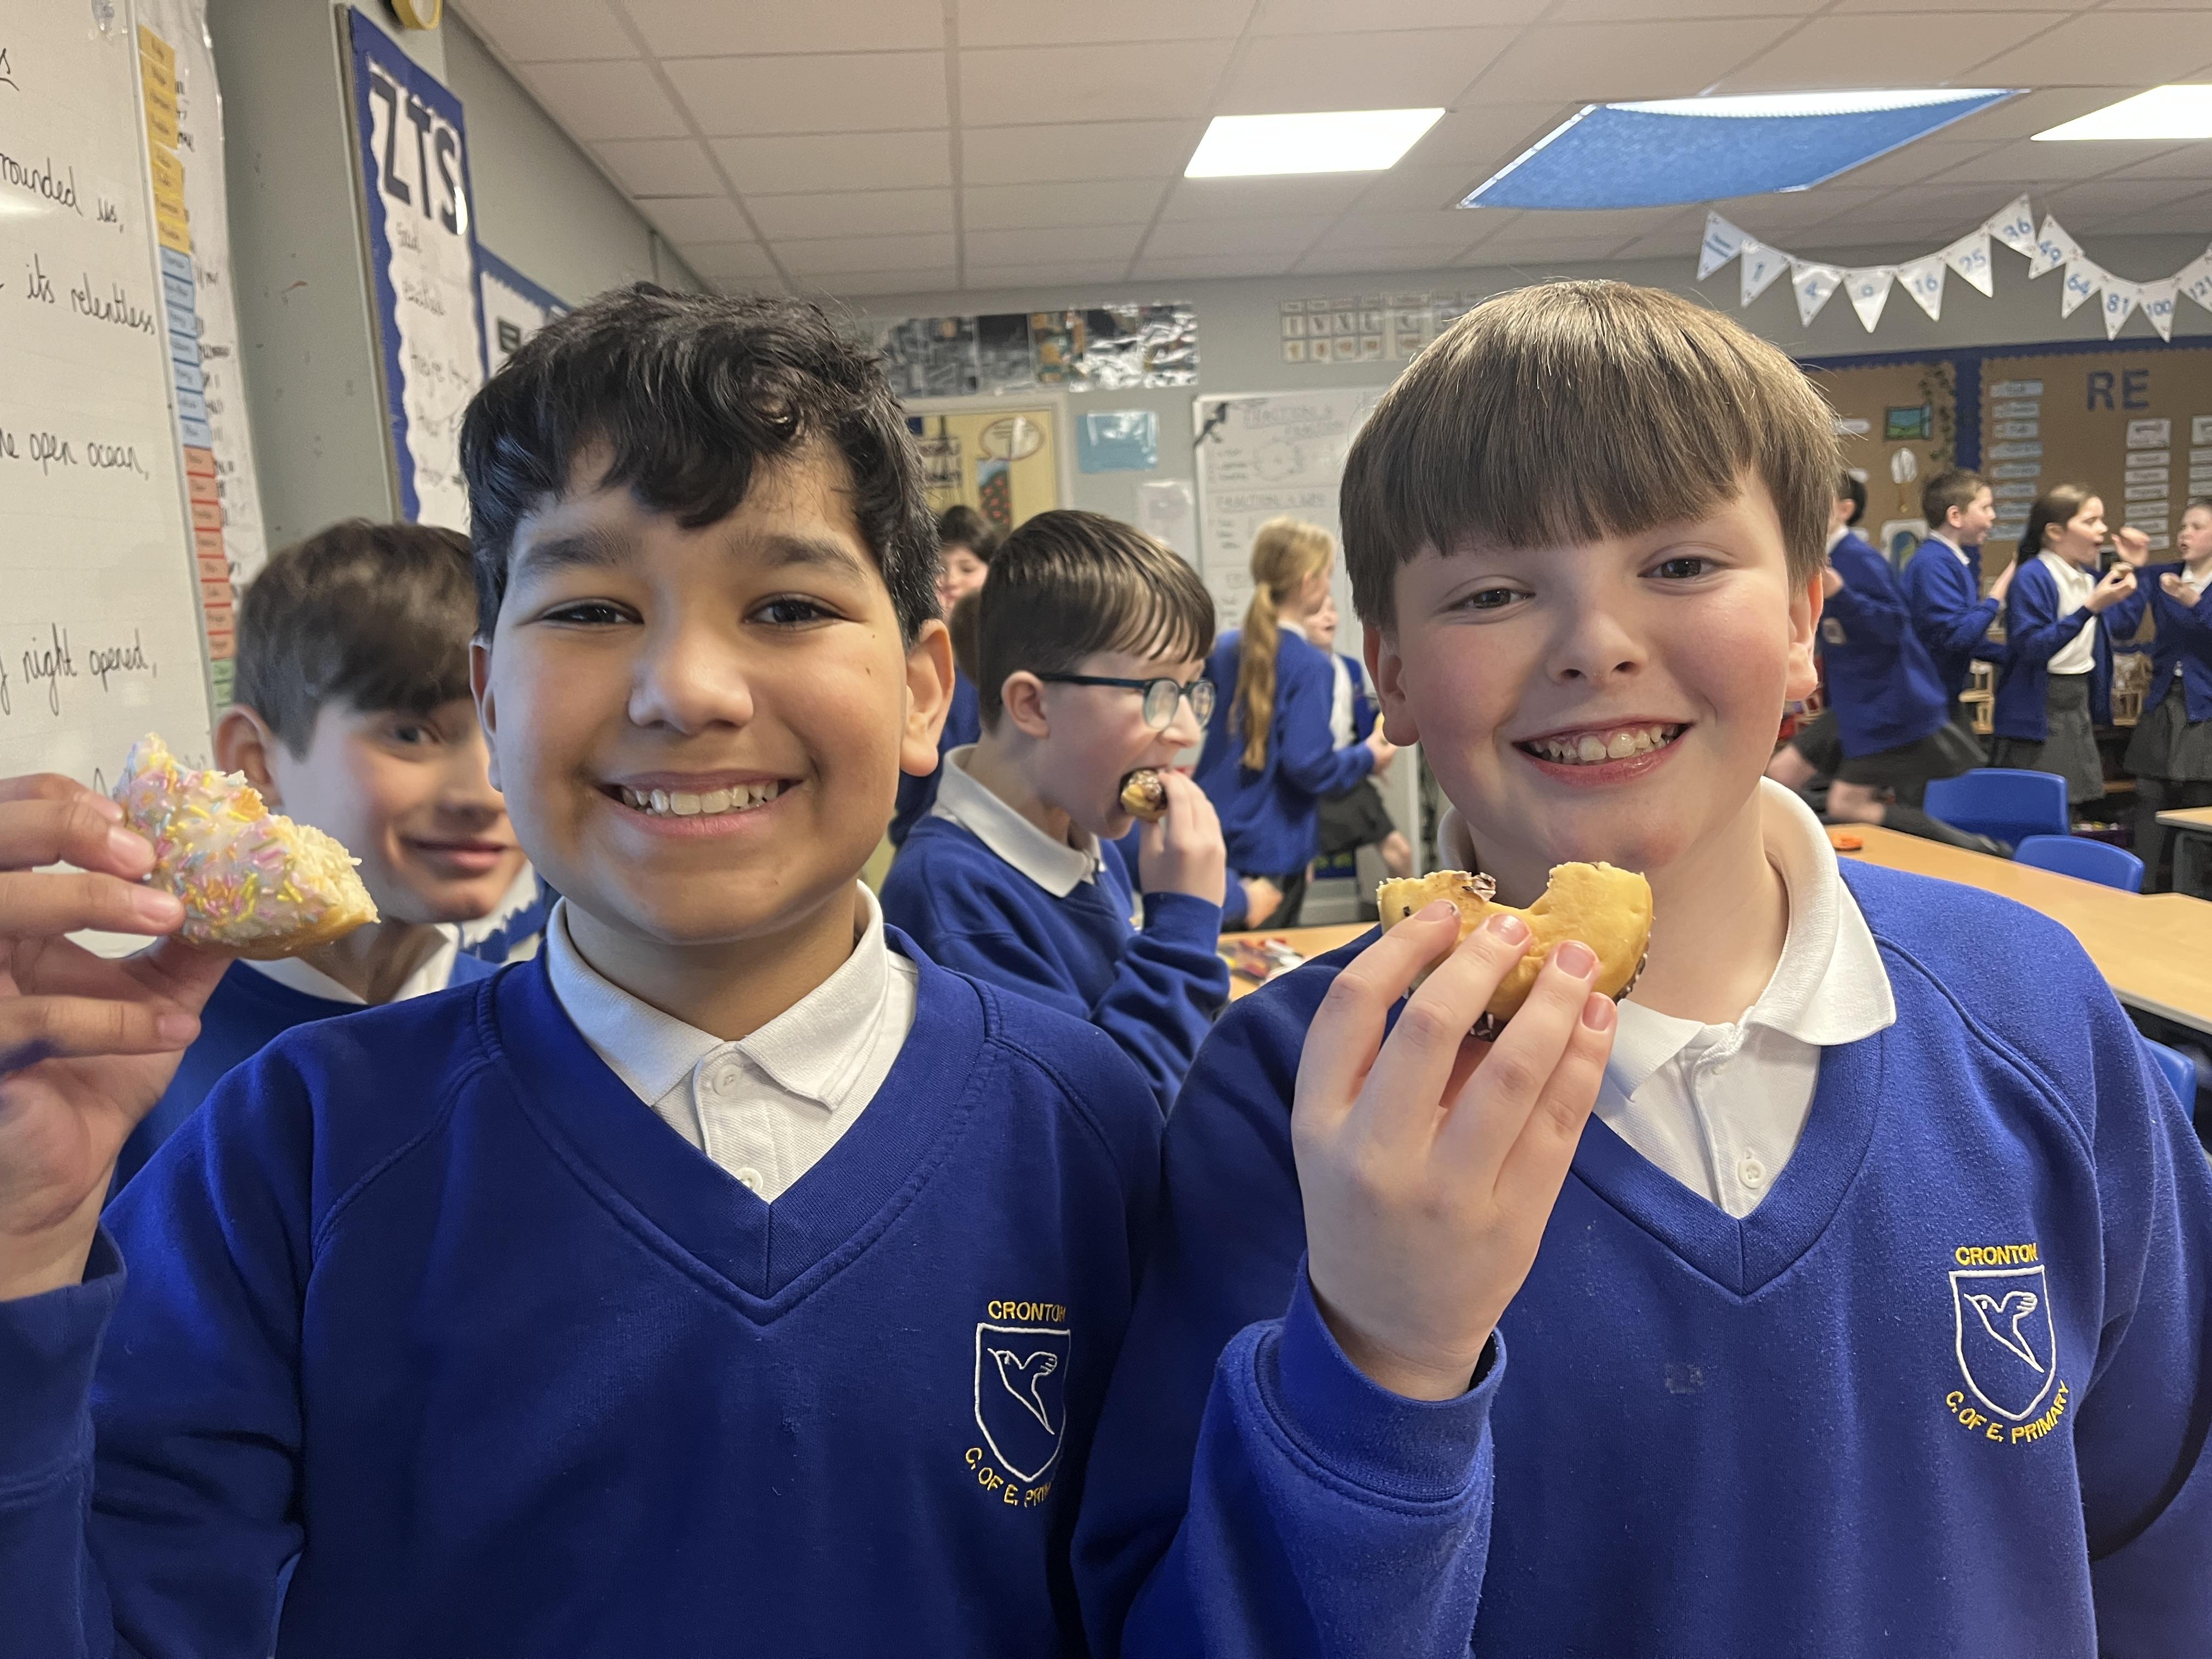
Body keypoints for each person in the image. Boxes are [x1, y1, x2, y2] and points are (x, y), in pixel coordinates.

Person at [0, 286, 1448, 1655]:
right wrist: (18, 1265)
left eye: (788, 608)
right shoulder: (296, 1143)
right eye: (588, 610)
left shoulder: (1088, 1126)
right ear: (494, 696)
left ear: (924, 693)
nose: (686, 689)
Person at [1076, 281, 2211, 1655]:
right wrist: (1379, 1356)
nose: (1597, 646)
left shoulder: (2032, 1010)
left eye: (1679, 567)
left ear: (1802, 619)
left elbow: (2168, 1533)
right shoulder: (1300, 1092)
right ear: (1393, 673)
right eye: (1494, 593)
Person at [114, 521, 518, 1190]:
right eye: (411, 733)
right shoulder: (126, 1055)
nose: (484, 792)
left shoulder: (543, 1032)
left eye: (511, 728)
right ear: (257, 761)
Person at [882, 509, 1231, 1111]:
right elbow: (1098, 1122)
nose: (1185, 731)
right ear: (1033, 706)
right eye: (1156, 692)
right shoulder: (952, 898)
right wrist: (1182, 931)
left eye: (1190, 690)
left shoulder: (1083, 834)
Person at [1765, 474, 1994, 853]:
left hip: (1888, 706)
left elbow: (1894, 626)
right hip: (1854, 705)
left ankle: (1975, 850)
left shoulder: (1859, 559)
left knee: (1847, 804)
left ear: (1844, 511)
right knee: (1780, 774)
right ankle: (1797, 855)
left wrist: (1842, 594)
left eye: (1816, 504)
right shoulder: (1815, 561)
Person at [1194, 518, 1392, 928]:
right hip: (1271, 846)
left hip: (1210, 829)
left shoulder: (1225, 648)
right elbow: (1309, 766)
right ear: (1309, 583)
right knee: (1261, 958)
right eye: (1327, 575)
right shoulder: (1310, 664)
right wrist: (1367, 757)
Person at [1990, 484, 2145, 808]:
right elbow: (2033, 647)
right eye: (2090, 521)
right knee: (2037, 807)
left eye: (2102, 520)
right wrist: (2089, 608)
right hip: (2040, 708)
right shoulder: (2034, 576)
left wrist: (2132, 570)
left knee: (2073, 804)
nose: (2102, 529)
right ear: (2055, 532)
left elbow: (2123, 628)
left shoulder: (2088, 578)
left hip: (2078, 701)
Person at [887, 504, 998, 845]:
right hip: (924, 835)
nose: (951, 580)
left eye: (967, 568)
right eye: (939, 569)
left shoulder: (1005, 666)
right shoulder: (902, 663)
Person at [2120, 495, 2212, 890]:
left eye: (2197, 527)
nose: (2184, 534)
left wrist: (2197, 603)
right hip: (2163, 695)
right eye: (2183, 527)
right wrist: (2133, 566)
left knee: (2200, 795)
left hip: (2206, 701)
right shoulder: (2164, 576)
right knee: (2148, 791)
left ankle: (2194, 891)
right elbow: (2123, 618)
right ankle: (2139, 886)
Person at [1301, 592, 1413, 887]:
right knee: (1299, 872)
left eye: (1332, 609)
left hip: (1349, 777)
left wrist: (1375, 755)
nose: (1329, 617)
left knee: (1400, 852)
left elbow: (1360, 723)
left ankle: (1406, 910)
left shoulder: (1349, 667)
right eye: (1318, 611)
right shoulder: (1293, 671)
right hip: (1309, 783)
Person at [1905, 467, 2010, 733]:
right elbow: (1957, 636)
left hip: (1940, 698)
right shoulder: (1933, 564)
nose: (1992, 516)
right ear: (1955, 516)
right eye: (1985, 508)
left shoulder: (1949, 561)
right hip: (1924, 703)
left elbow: (1966, 640)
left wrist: (2015, 656)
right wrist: (1998, 593)